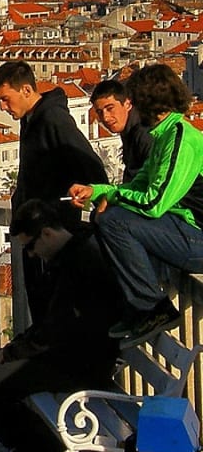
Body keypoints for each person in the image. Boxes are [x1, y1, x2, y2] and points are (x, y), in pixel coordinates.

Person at [0, 199, 121, 452]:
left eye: (30, 246)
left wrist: (11, 354)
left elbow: (58, 331)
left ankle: (36, 447)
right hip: (68, 352)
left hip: (80, 362)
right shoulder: (72, 253)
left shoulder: (80, 263)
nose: (32, 254)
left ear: (47, 233)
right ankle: (28, 444)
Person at [69, 63, 203, 343]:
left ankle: (153, 309)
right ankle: (136, 308)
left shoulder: (180, 138)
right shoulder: (165, 134)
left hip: (197, 236)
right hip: (185, 231)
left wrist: (114, 198)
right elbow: (139, 185)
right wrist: (98, 191)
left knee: (113, 220)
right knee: (109, 219)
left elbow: (154, 201)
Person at [0, 60, 108, 323]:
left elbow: (90, 164)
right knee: (42, 303)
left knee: (53, 304)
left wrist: (101, 199)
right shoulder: (32, 119)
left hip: (52, 229)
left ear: (27, 91)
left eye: (6, 99)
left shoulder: (53, 118)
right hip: (37, 229)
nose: (3, 107)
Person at [90, 78, 153, 183]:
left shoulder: (145, 135)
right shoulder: (129, 131)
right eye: (100, 112)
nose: (105, 117)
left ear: (127, 104)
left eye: (110, 108)